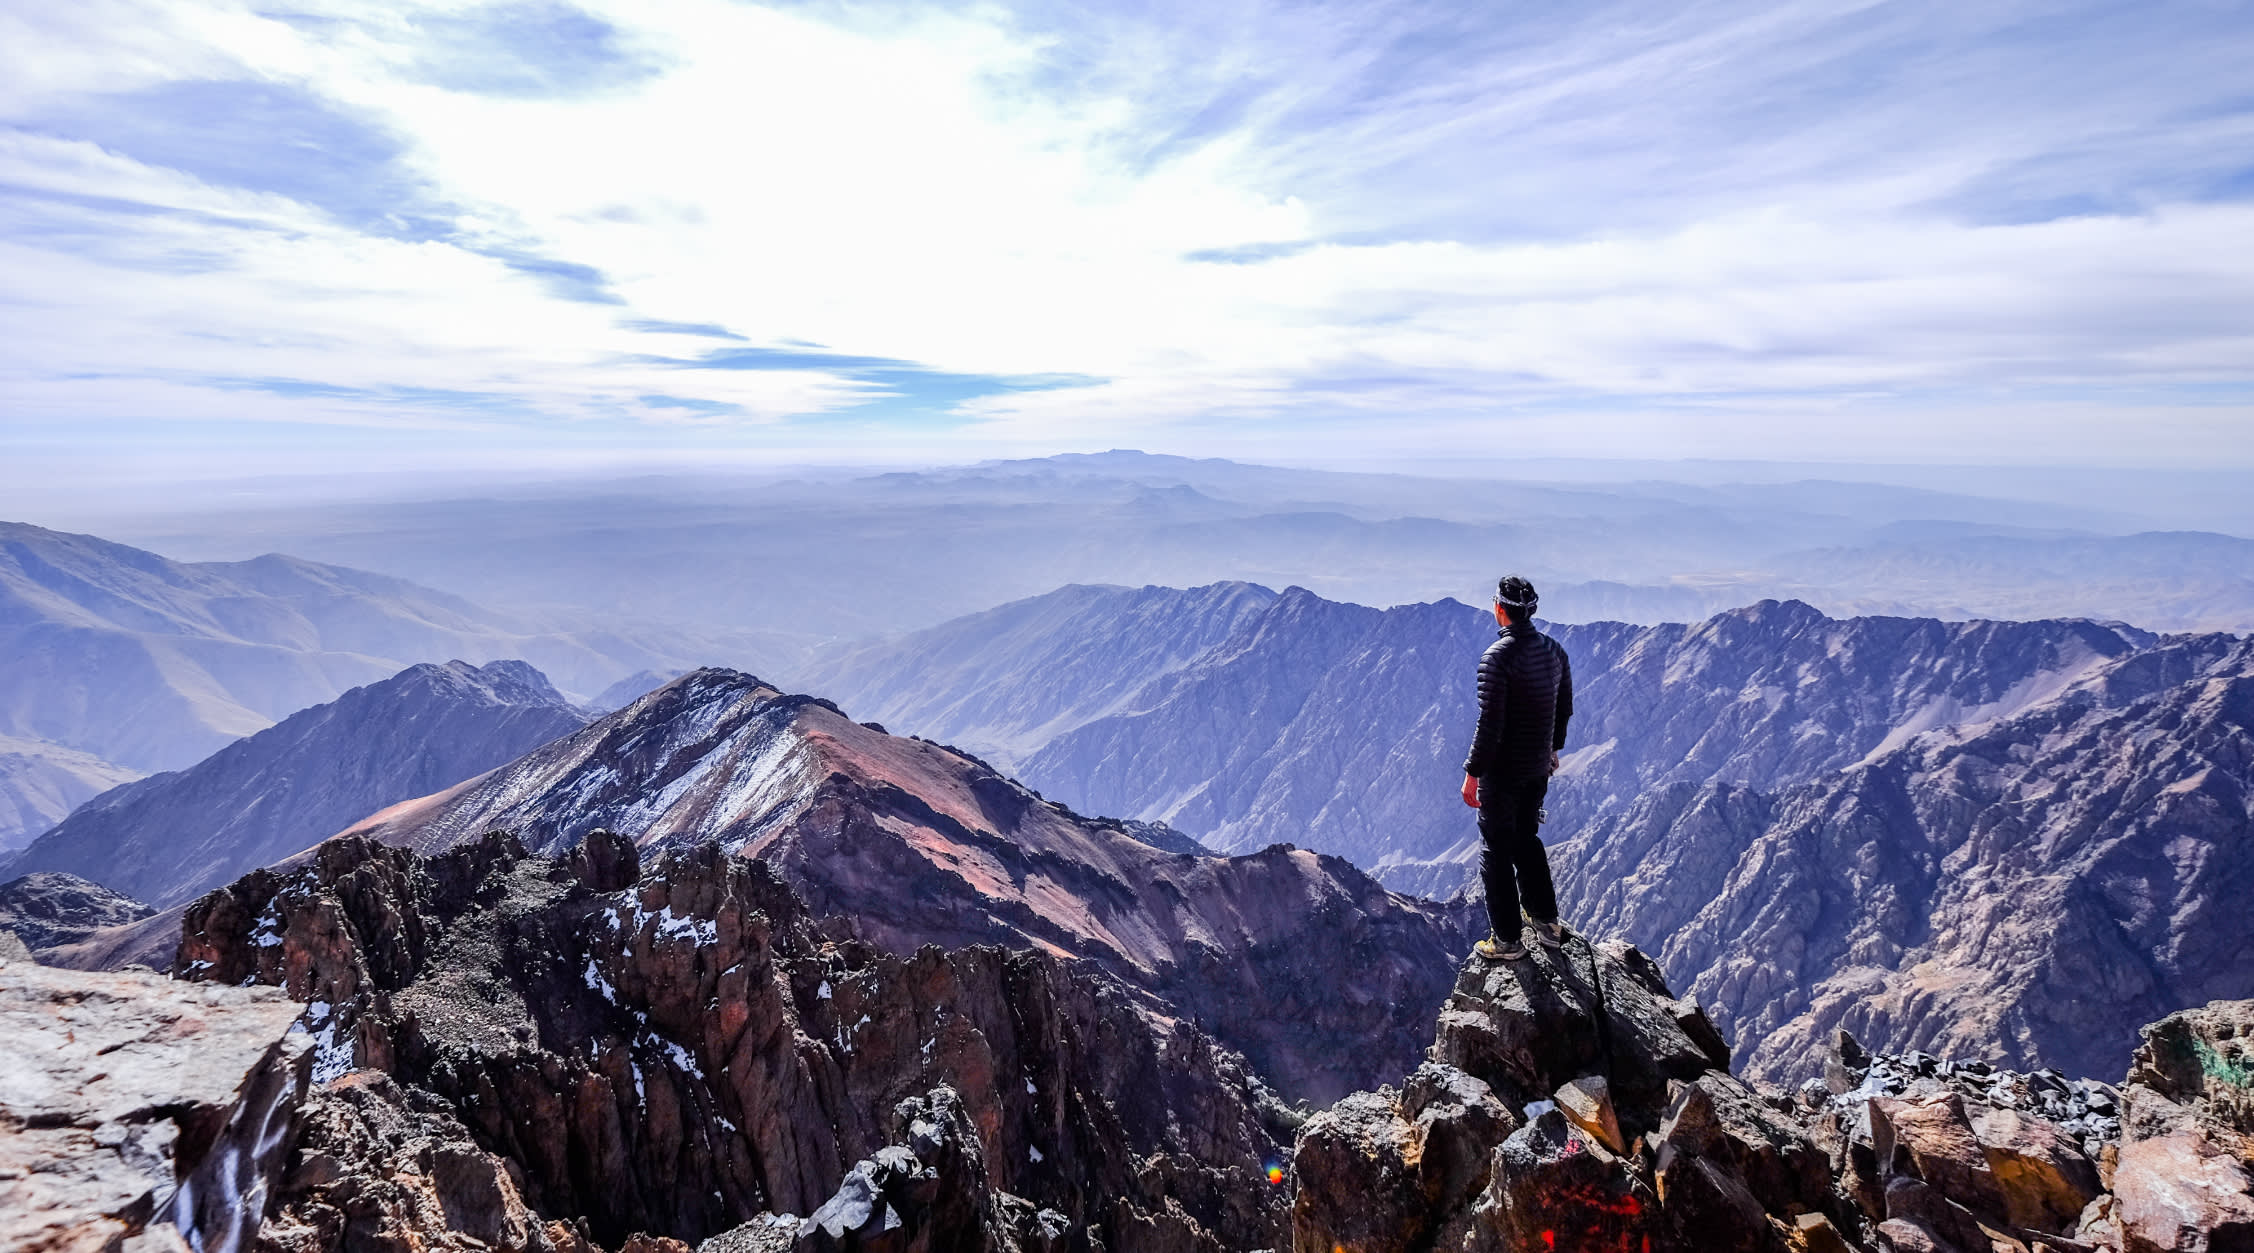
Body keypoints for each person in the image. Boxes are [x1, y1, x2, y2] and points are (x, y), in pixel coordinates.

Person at [1460, 574, 1574, 961]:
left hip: (1503, 772)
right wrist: (1553, 750)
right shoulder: (1555, 651)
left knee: (1494, 848)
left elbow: (1489, 724)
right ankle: (1546, 923)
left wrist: (1472, 773)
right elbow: (1563, 710)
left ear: (1499, 609)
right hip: (1537, 769)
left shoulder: (1497, 659)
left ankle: (1507, 940)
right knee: (1527, 841)